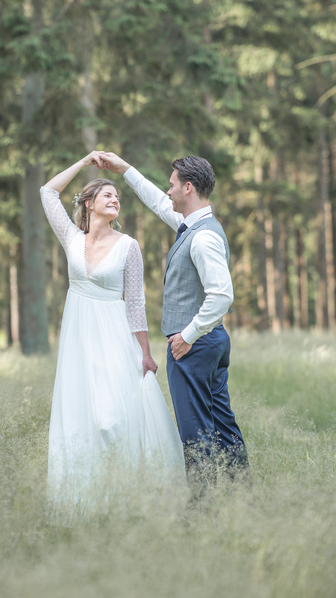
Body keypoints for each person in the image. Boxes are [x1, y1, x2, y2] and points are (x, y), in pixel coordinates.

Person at [40, 151, 186, 526]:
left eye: (117, 196)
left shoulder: (128, 246)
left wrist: (145, 353)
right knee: (80, 417)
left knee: (112, 419)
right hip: (77, 338)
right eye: (107, 194)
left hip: (113, 334)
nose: (114, 199)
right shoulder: (72, 239)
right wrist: (84, 163)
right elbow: (47, 192)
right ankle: (85, 504)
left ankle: (130, 498)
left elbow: (135, 302)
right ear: (89, 204)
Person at [98, 152, 249, 477]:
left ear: (188, 188)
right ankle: (242, 497)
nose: (168, 191)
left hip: (194, 346)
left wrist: (187, 336)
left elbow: (222, 295)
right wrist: (125, 168)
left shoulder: (203, 237)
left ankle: (200, 510)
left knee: (194, 433)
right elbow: (157, 202)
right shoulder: (194, 225)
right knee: (223, 425)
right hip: (212, 342)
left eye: (172, 185)